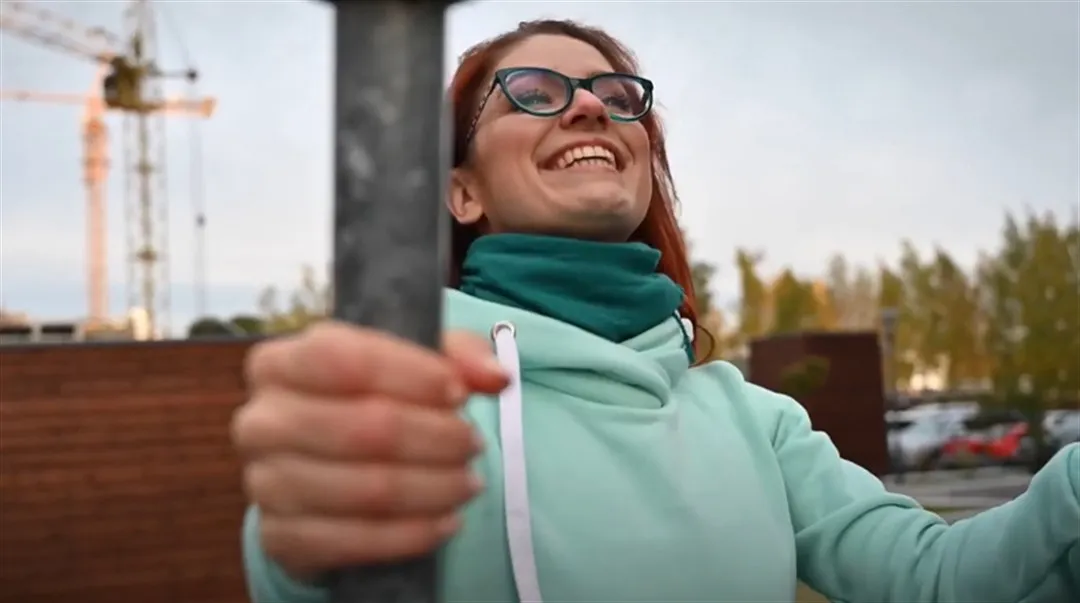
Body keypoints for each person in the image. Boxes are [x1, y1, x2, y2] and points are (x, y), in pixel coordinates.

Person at [233, 19, 1080, 603]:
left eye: (616, 94)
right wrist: (303, 539)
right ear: (461, 191)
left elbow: (932, 578)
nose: (592, 104)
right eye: (532, 89)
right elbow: (319, 559)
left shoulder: (757, 422)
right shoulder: (411, 390)